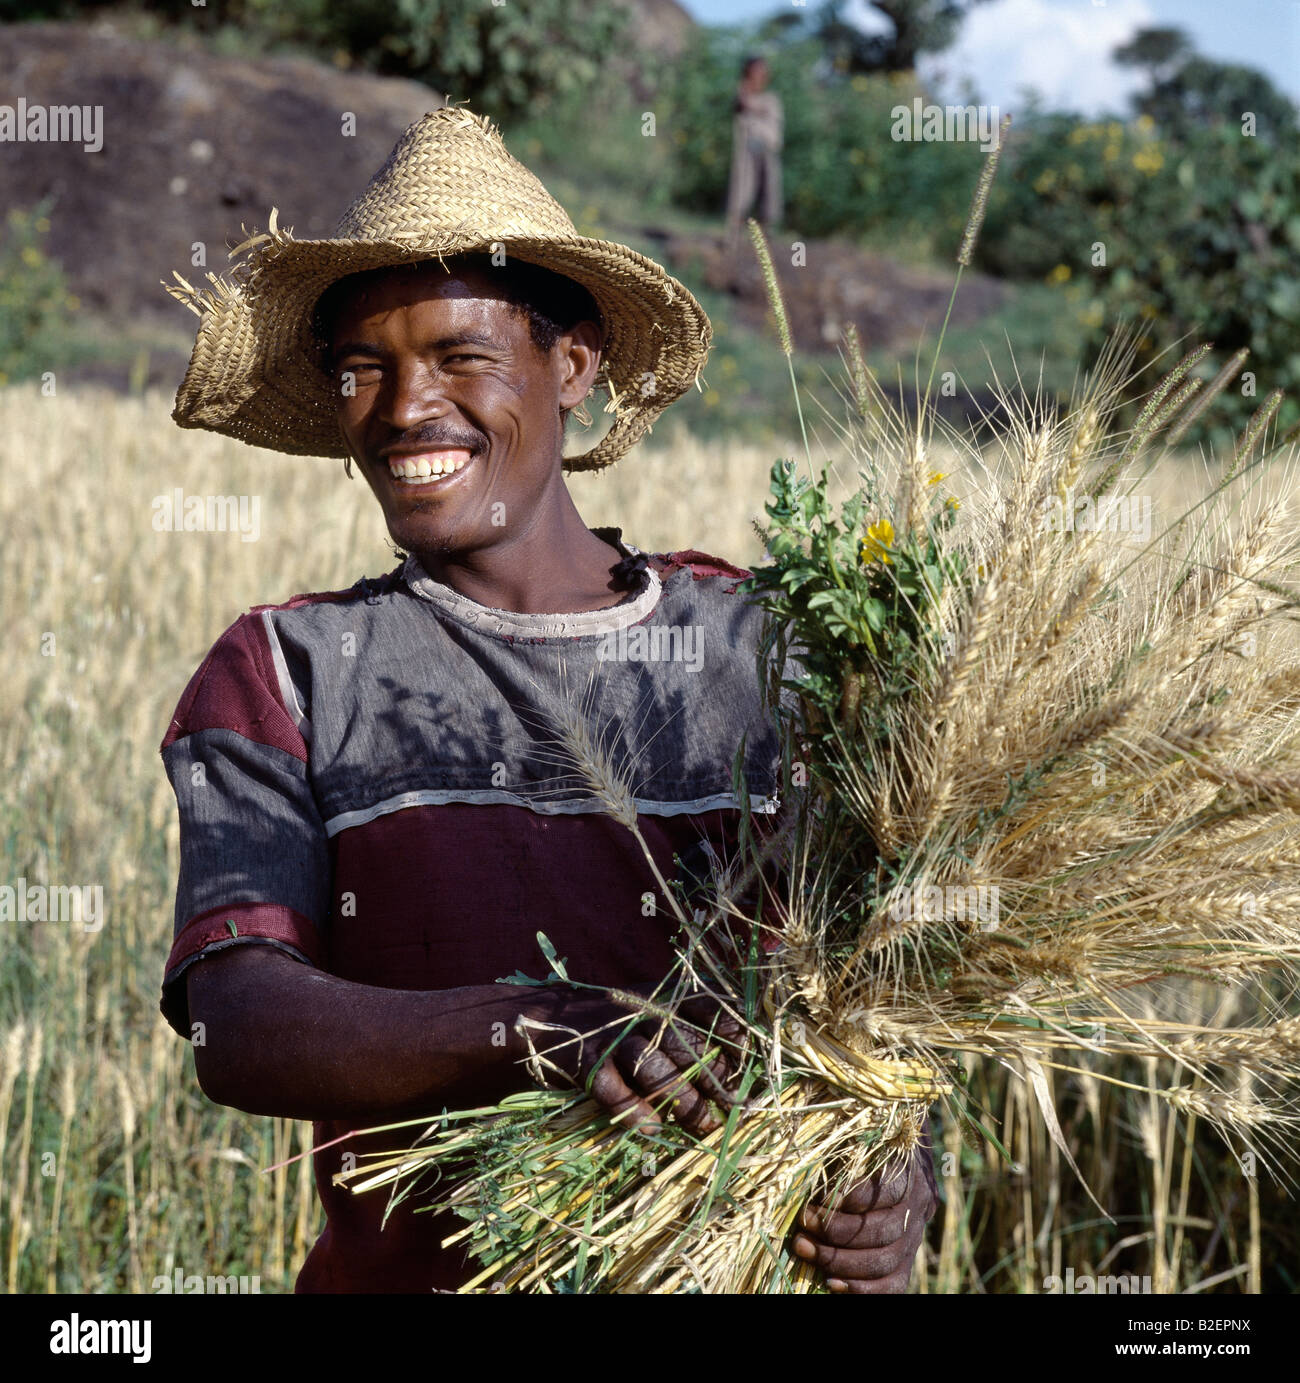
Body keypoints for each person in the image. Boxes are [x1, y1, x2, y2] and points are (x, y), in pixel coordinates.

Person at [160, 105, 937, 1293]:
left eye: (460, 356)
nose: (406, 407)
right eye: (361, 368)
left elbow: (884, 985)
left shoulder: (764, 648)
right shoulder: (289, 670)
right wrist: (533, 1025)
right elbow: (238, 1018)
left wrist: (896, 1175)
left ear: (572, 368)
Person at [724, 55, 784, 254]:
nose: (759, 78)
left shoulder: (771, 99)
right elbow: (743, 103)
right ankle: (732, 241)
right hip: (747, 154)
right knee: (741, 194)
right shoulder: (743, 97)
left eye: (762, 73)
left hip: (767, 152)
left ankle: (767, 244)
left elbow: (770, 121)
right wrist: (745, 87)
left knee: (769, 197)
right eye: (754, 73)